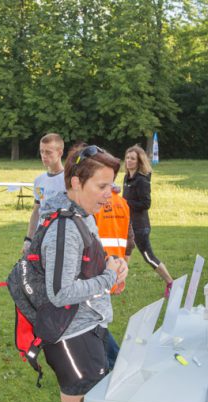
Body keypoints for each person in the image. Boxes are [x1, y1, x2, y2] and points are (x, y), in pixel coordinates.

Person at [40, 145, 134, 402]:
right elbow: (61, 291)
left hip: (91, 326)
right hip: (69, 334)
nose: (109, 195)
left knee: (104, 400)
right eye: (102, 186)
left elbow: (86, 266)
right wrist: (107, 277)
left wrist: (111, 265)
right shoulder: (64, 225)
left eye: (112, 186)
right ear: (76, 182)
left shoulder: (83, 215)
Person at [92, 147, 135, 369]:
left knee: (97, 323)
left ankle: (117, 365)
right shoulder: (122, 202)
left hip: (99, 267)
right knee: (99, 321)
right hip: (116, 265)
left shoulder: (95, 204)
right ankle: (114, 364)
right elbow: (129, 238)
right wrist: (123, 264)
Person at [122, 144, 174, 297]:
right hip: (128, 224)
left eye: (133, 158)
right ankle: (117, 282)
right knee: (123, 251)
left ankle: (170, 282)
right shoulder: (127, 177)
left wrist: (125, 203)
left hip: (140, 226)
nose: (129, 161)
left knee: (148, 257)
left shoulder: (142, 180)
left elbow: (146, 204)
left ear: (139, 161)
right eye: (127, 158)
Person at [23, 133, 66, 253]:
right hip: (41, 238)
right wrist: (28, 239)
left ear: (60, 153)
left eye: (48, 152)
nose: (44, 156)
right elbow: (37, 210)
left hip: (63, 239)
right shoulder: (39, 181)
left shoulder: (69, 179)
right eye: (42, 152)